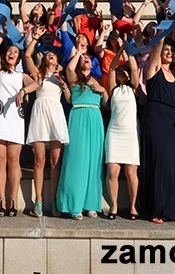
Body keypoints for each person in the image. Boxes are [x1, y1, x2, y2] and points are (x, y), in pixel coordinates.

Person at [0, 35, 39, 216]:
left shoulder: (21, 75)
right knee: (0, 161)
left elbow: (35, 84)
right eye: (10, 51)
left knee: (14, 161)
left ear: (18, 58)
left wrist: (23, 91)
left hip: (15, 119)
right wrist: (4, 32)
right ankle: (1, 199)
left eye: (16, 52)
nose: (12, 53)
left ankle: (13, 198)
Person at [24, 30, 70, 218]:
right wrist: (35, 38)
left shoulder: (61, 77)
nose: (50, 55)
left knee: (55, 161)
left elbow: (69, 98)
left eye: (53, 55)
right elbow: (27, 55)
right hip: (40, 114)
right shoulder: (38, 74)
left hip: (56, 114)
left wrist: (64, 84)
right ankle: (38, 200)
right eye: (48, 55)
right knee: (39, 160)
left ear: (57, 61)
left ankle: (54, 202)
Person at [57, 48, 106, 220]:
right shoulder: (74, 77)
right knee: (77, 160)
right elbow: (69, 69)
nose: (86, 59)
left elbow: (106, 102)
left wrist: (103, 90)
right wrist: (79, 52)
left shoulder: (97, 80)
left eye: (88, 58)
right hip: (79, 117)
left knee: (94, 162)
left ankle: (91, 204)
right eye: (83, 58)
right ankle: (74, 205)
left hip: (96, 118)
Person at [141, 34, 175, 224]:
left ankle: (171, 209)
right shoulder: (154, 68)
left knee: (174, 166)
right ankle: (156, 210)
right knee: (159, 163)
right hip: (155, 118)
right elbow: (155, 54)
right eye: (165, 50)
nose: (168, 52)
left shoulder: (174, 75)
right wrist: (161, 37)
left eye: (171, 50)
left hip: (172, 120)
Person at [104, 40, 141, 220]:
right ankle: (114, 206)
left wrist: (129, 52)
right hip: (114, 133)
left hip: (130, 134)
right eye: (120, 71)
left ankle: (133, 207)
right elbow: (111, 68)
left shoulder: (133, 89)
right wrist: (119, 50)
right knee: (113, 172)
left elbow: (134, 70)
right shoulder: (113, 90)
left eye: (123, 71)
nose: (121, 73)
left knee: (131, 173)